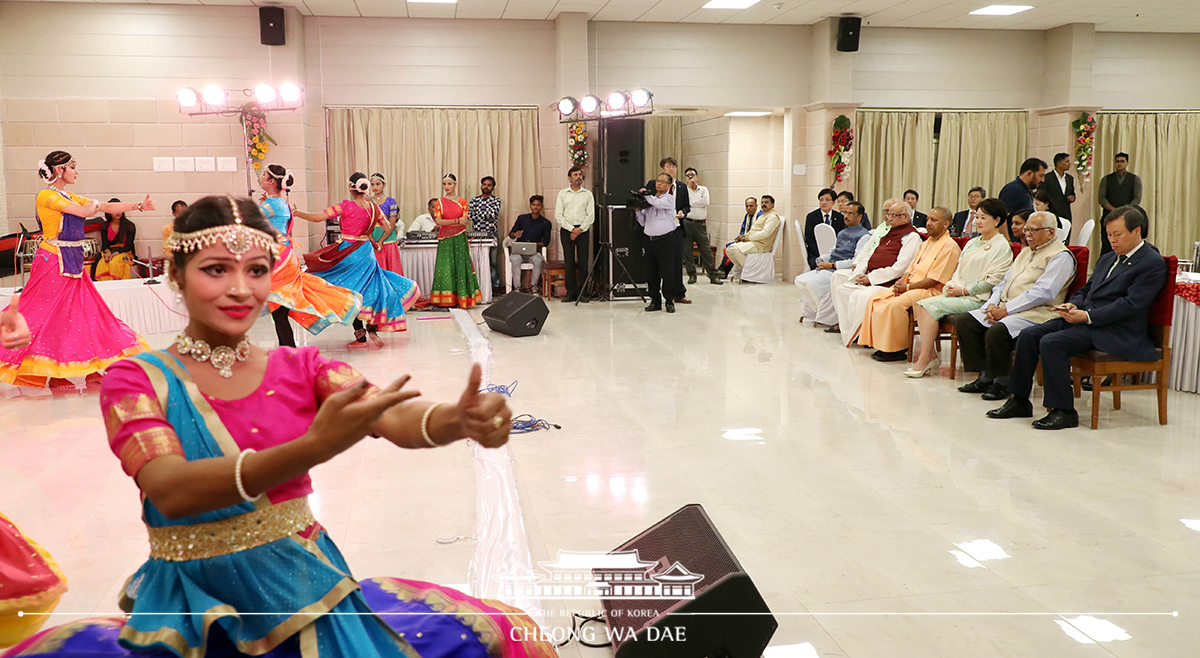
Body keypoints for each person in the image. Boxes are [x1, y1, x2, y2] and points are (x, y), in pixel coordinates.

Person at [2, 195, 557, 658]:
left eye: (257, 271)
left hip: (304, 582)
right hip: (190, 603)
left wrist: (451, 420)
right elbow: (169, 489)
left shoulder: (298, 366)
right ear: (176, 274)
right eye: (217, 269)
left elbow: (386, 413)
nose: (241, 289)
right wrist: (312, 447)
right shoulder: (139, 378)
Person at [987, 206, 1167, 429]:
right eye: (1109, 234)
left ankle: (1064, 410)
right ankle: (1019, 400)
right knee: (1030, 334)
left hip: (1117, 329)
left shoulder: (1152, 262)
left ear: (1137, 231)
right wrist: (1074, 304)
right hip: (1088, 320)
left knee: (1052, 343)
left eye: (1117, 234)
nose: (1112, 240)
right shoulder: (1108, 258)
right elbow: (1086, 290)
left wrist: (1087, 316)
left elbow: (1130, 305)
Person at [0, 151, 151, 391]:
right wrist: (91, 206)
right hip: (52, 261)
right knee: (46, 316)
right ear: (59, 170)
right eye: (73, 167)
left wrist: (138, 206)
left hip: (73, 261)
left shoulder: (67, 195)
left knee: (85, 314)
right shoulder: (46, 196)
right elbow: (83, 212)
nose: (77, 172)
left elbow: (102, 206)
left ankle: (90, 369)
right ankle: (54, 373)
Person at [954, 211, 1076, 401]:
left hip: (1038, 312)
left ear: (1051, 232)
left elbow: (1044, 293)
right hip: (1005, 306)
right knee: (965, 321)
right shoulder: (1026, 252)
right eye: (1026, 230)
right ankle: (986, 375)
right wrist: (991, 306)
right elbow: (1003, 283)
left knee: (997, 331)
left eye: (1033, 230)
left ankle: (1003, 381)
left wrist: (1006, 310)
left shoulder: (1060, 256)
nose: (1027, 234)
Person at [292, 172, 420, 346]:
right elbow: (387, 226)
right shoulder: (373, 207)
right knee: (371, 287)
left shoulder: (345, 206)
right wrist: (368, 228)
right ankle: (372, 329)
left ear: (351, 188)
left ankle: (360, 336)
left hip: (348, 251)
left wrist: (297, 213)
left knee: (348, 290)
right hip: (366, 251)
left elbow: (317, 217)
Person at [257, 163, 363, 348]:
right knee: (279, 307)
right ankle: (288, 349)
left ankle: (289, 350)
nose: (260, 177)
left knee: (278, 307)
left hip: (278, 258)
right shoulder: (282, 203)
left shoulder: (271, 204)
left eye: (263, 174)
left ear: (271, 181)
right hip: (285, 254)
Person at [908, 198, 1014, 377]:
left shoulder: (1001, 246)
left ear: (997, 220)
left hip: (978, 298)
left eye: (984, 218)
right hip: (958, 293)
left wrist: (964, 290)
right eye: (977, 217)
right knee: (919, 303)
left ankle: (925, 359)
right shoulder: (973, 242)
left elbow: (993, 280)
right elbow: (958, 270)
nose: (978, 222)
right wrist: (951, 286)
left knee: (929, 306)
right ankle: (931, 355)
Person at [858, 207, 961, 361]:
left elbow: (934, 279)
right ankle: (879, 344)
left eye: (934, 220)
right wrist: (902, 281)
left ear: (946, 224)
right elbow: (911, 267)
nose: (928, 223)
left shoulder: (949, 246)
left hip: (931, 290)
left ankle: (896, 350)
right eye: (928, 219)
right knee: (876, 299)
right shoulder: (926, 243)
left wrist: (907, 288)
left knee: (895, 304)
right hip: (911, 285)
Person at [831, 201, 921, 346]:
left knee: (861, 296)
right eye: (888, 215)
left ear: (905, 217)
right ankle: (852, 332)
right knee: (842, 289)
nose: (889, 219)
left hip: (888, 283)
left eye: (894, 216)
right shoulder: (888, 231)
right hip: (870, 276)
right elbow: (869, 254)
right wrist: (860, 273)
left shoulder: (911, 237)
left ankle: (862, 335)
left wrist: (871, 278)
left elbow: (900, 268)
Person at [795, 200, 870, 325]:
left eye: (850, 213)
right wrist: (822, 259)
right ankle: (816, 310)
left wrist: (833, 265)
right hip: (829, 267)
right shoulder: (842, 232)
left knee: (810, 284)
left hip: (840, 270)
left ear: (860, 217)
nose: (846, 216)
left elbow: (856, 261)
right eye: (845, 213)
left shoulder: (864, 236)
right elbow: (832, 251)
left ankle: (820, 312)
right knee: (799, 280)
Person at [424, 174, 482, 308]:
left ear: (455, 185)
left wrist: (451, 223)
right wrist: (456, 221)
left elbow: (465, 222)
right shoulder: (439, 202)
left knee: (460, 266)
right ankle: (445, 300)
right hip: (445, 238)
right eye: (444, 184)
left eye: (449, 184)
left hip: (460, 237)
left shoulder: (462, 202)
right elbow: (438, 221)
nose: (447, 187)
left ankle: (462, 298)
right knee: (445, 267)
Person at [646, 157, 691, 304]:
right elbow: (648, 202)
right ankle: (656, 297)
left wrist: (683, 212)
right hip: (657, 229)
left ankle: (678, 293)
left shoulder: (682, 187)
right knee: (656, 266)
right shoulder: (653, 184)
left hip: (676, 227)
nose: (671, 169)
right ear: (662, 169)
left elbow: (687, 206)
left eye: (674, 166)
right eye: (668, 166)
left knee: (676, 262)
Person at [636, 174, 679, 313]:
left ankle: (669, 301)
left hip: (665, 241)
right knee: (651, 273)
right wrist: (638, 211)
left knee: (667, 272)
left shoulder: (668, 199)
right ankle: (655, 300)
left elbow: (658, 203)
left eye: (662, 182)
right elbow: (643, 222)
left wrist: (645, 194)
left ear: (669, 186)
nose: (659, 184)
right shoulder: (650, 202)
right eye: (657, 181)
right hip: (650, 241)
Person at [555, 165, 595, 303]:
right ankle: (570, 292)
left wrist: (579, 230)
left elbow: (591, 216)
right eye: (575, 175)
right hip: (567, 230)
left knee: (584, 261)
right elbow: (559, 215)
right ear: (569, 178)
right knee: (569, 261)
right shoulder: (562, 194)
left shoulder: (587, 194)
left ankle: (583, 292)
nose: (578, 177)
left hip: (583, 230)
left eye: (580, 175)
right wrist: (572, 229)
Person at [1097, 153, 1143, 254]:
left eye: (1122, 161)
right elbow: (1101, 199)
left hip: (1127, 218)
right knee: (1107, 244)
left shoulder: (1135, 179)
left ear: (1127, 163)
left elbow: (1137, 198)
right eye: (1117, 161)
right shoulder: (1106, 179)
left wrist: (1124, 211)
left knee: (1126, 244)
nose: (1119, 164)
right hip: (1108, 216)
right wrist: (1115, 211)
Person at [682, 167, 721, 285]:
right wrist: (696, 201)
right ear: (685, 179)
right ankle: (692, 275)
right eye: (688, 175)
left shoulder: (703, 189)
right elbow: (685, 204)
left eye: (692, 175)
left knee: (705, 249)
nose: (690, 177)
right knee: (687, 250)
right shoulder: (684, 190)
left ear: (697, 177)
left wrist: (692, 203)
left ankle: (713, 275)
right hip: (687, 222)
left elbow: (706, 202)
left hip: (700, 224)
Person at [728, 195, 782, 279]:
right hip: (753, 242)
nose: (764, 204)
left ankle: (749, 273)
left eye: (767, 202)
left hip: (762, 245)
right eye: (763, 202)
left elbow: (765, 234)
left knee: (735, 249)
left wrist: (747, 238)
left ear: (772, 204)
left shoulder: (772, 217)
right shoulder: (763, 215)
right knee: (729, 250)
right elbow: (753, 231)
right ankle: (747, 272)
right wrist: (744, 236)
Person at [508, 195, 553, 292]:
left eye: (538, 205)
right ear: (530, 205)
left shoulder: (546, 223)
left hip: (533, 252)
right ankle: (517, 287)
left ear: (541, 206)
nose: (535, 207)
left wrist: (534, 245)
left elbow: (546, 242)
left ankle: (534, 286)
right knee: (516, 259)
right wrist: (515, 234)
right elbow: (511, 235)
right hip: (519, 252)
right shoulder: (522, 218)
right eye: (533, 205)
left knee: (538, 259)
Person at [468, 175, 503, 290]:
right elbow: (469, 215)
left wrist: (477, 215)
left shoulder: (496, 200)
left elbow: (492, 215)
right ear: (481, 185)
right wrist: (483, 215)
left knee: (492, 262)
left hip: (491, 234)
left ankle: (495, 286)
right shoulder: (474, 200)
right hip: (476, 235)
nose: (486, 187)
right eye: (484, 184)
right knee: (478, 261)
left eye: (489, 185)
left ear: (493, 187)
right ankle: (479, 285)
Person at [91, 199, 138, 280]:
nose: (117, 212)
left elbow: (129, 245)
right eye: (114, 210)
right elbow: (105, 244)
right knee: (103, 263)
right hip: (110, 252)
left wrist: (115, 254)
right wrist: (108, 253)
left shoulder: (130, 226)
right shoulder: (105, 226)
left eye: (119, 209)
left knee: (114, 263)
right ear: (108, 212)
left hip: (124, 252)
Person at [368, 173, 404, 275]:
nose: (375, 187)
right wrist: (373, 241)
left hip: (388, 238)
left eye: (378, 184)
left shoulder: (391, 201)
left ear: (384, 185)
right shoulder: (368, 202)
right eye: (372, 184)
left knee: (391, 269)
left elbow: (392, 223)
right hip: (372, 237)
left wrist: (381, 241)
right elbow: (366, 223)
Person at [803, 188, 845, 270]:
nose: (824, 203)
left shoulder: (840, 217)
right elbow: (809, 239)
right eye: (821, 200)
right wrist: (821, 254)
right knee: (817, 265)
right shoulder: (811, 217)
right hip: (816, 253)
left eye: (827, 200)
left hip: (835, 253)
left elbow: (841, 238)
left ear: (833, 202)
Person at [998, 158, 1048, 223]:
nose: (1043, 180)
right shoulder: (1013, 190)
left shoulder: (1026, 190)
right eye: (1041, 176)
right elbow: (1002, 219)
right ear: (1029, 174)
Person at [719, 197, 759, 277]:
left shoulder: (760, 216)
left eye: (751, 206)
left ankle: (723, 271)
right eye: (747, 206)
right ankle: (722, 271)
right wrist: (740, 237)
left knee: (733, 248)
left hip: (754, 242)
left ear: (756, 206)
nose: (748, 208)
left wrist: (744, 237)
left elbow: (756, 232)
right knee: (729, 247)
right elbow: (743, 230)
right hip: (745, 239)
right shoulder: (747, 216)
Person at [1039, 152, 1076, 221]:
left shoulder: (1070, 178)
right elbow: (1042, 194)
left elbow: (1072, 193)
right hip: (1052, 213)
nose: (1069, 164)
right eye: (1067, 161)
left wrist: (1072, 197)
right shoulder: (1047, 178)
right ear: (1059, 164)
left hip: (1066, 214)